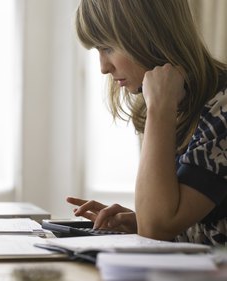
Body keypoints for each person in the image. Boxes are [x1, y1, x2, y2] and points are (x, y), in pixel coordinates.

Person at [67, 0, 227, 245]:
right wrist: (137, 220)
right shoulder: (181, 102)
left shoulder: (221, 107)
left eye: (107, 47)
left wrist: (160, 110)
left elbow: (156, 227)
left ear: (147, 36)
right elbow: (174, 220)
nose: (103, 67)